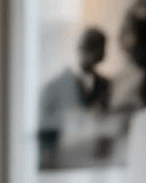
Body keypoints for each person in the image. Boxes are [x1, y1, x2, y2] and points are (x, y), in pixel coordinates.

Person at [37, 26, 126, 170]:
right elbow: (47, 135)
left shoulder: (107, 85)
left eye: (97, 49)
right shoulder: (55, 88)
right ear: (80, 48)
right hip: (66, 162)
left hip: (97, 161)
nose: (91, 54)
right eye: (88, 48)